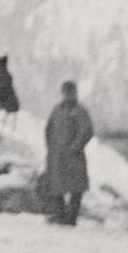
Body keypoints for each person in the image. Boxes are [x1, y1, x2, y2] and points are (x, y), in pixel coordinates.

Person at [44, 79, 95, 226]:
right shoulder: (56, 110)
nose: (68, 95)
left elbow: (87, 131)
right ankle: (59, 216)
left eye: (70, 92)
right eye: (66, 92)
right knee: (56, 188)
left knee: (76, 189)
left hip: (74, 157)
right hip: (57, 156)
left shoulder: (80, 111)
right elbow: (49, 129)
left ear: (75, 93)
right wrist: (51, 148)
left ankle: (71, 219)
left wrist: (75, 147)